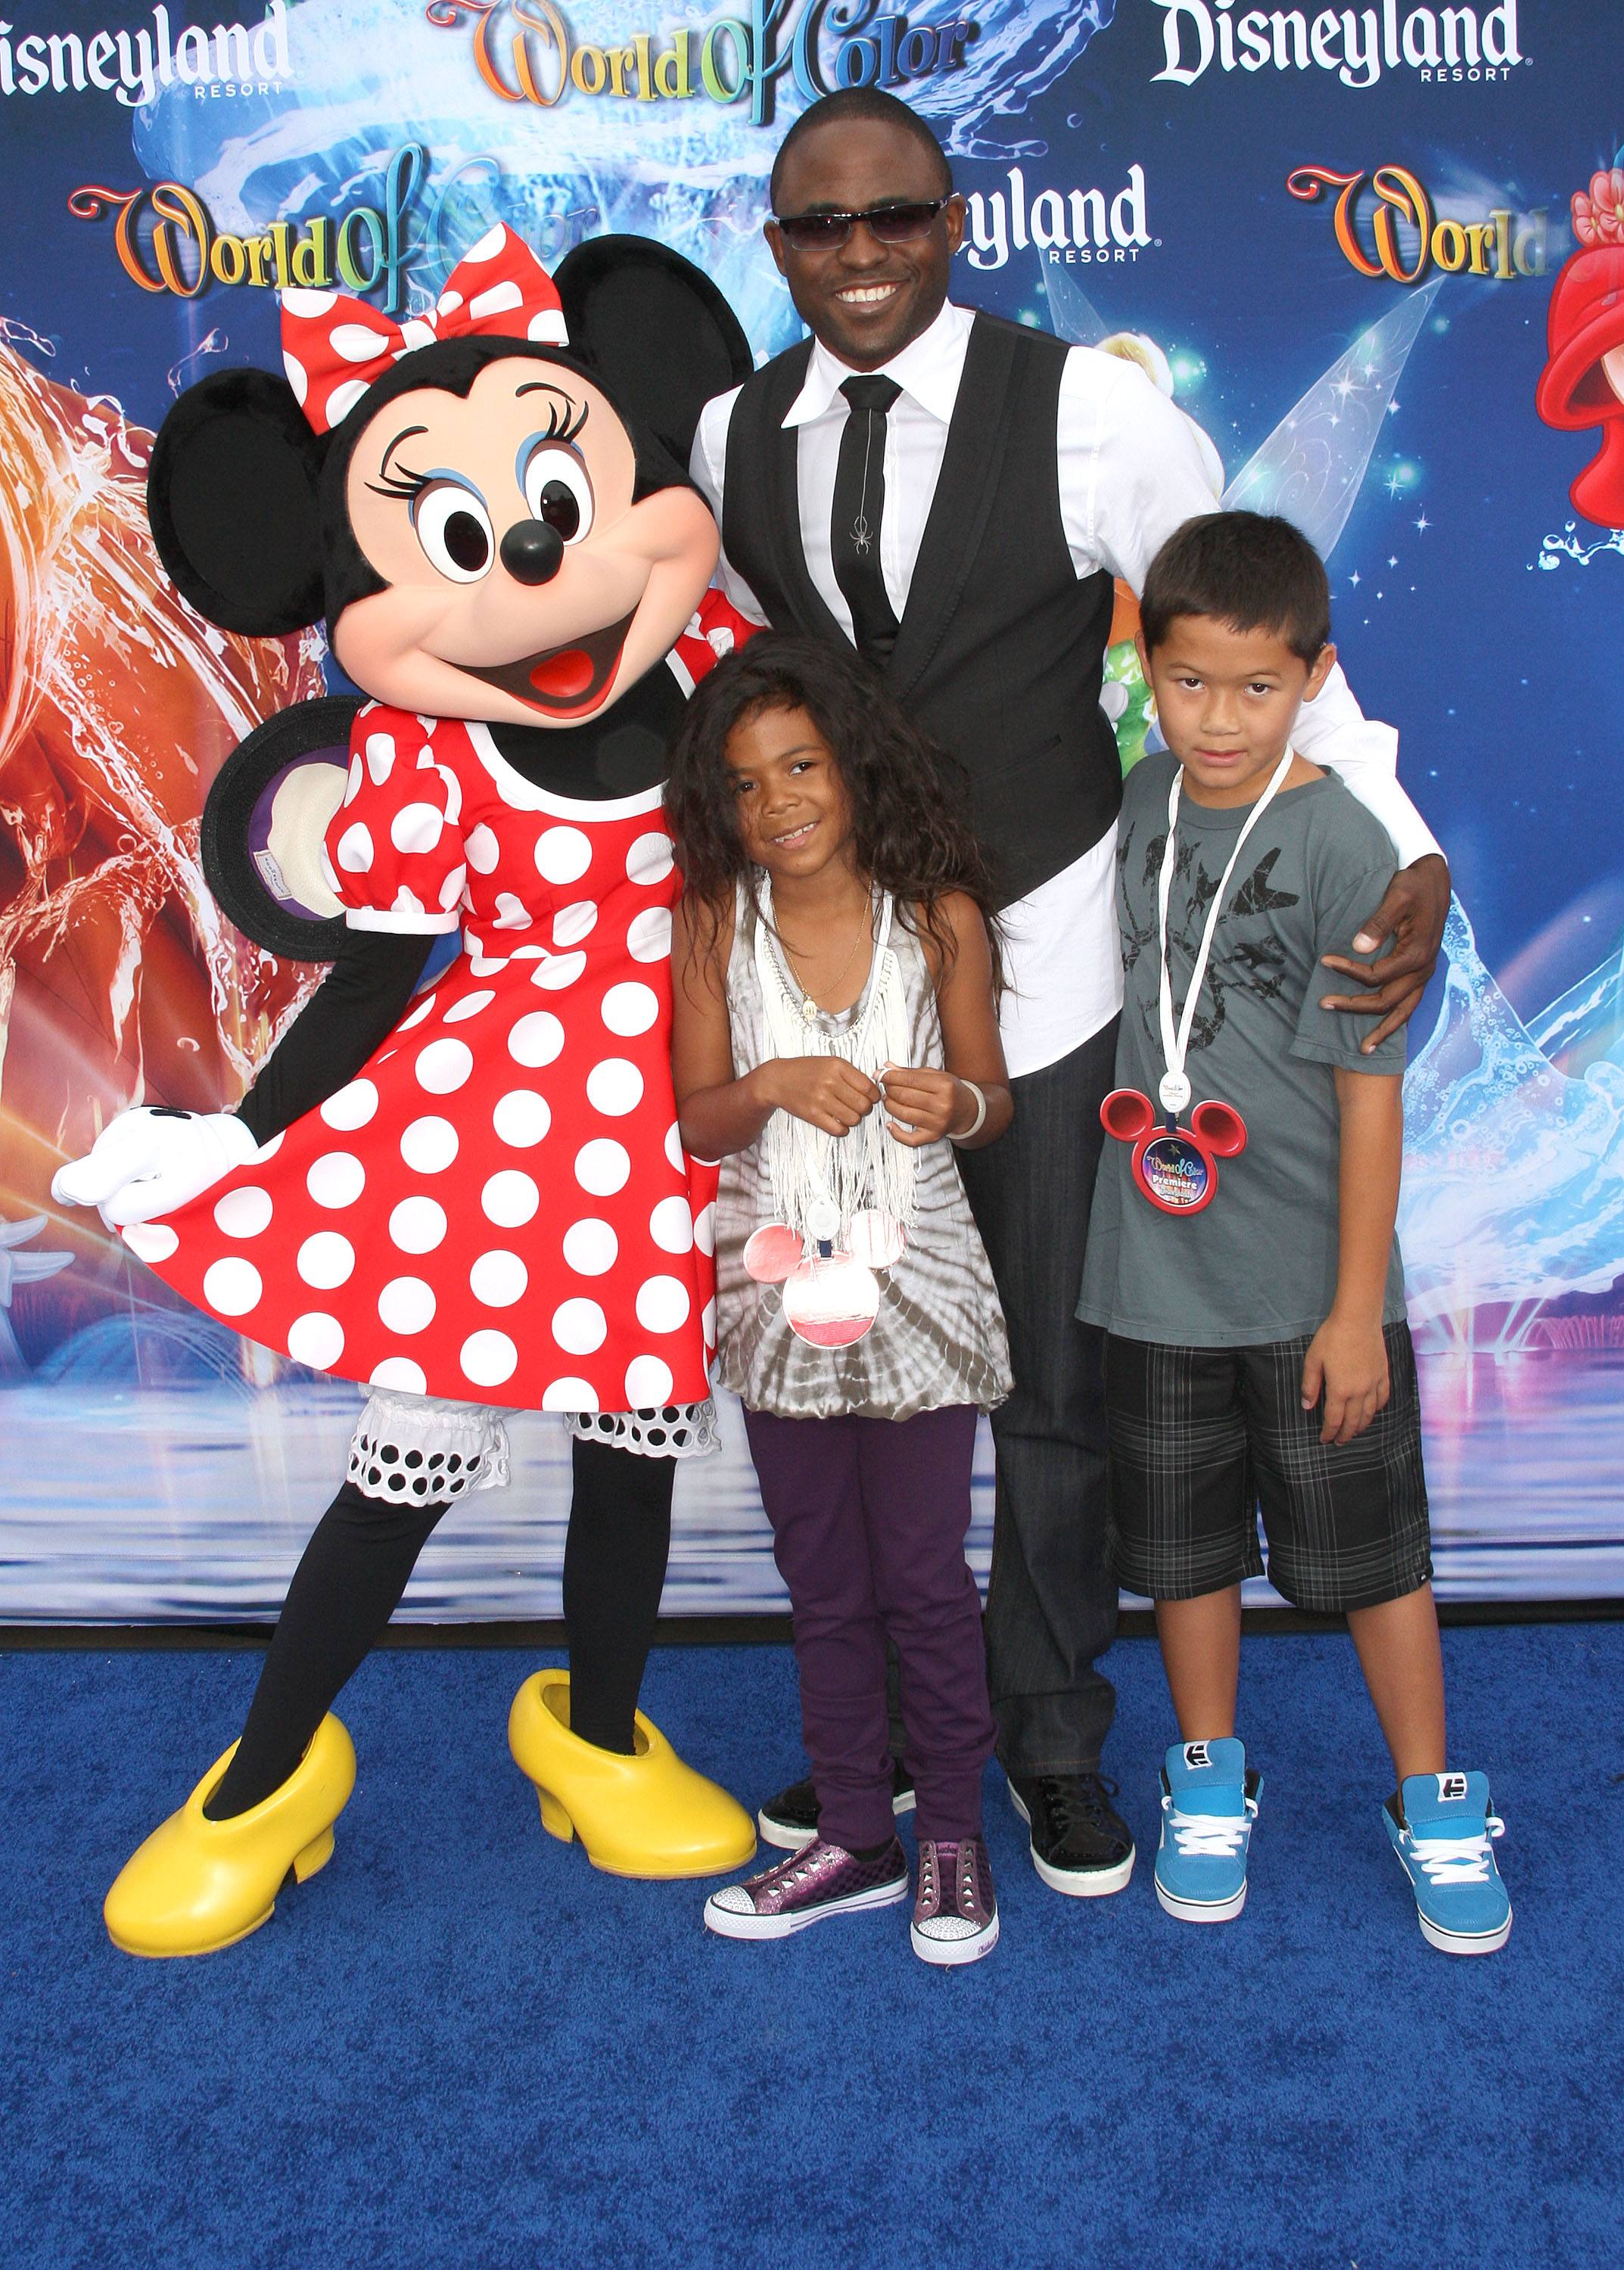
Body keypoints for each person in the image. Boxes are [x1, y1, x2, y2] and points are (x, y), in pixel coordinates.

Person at [690, 86, 1454, 1895]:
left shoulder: (1088, 409)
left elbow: (1239, 638)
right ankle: (875, 1754)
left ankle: (1045, 1743)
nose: (860, 255)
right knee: (849, 1372)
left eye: (895, 218)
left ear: (951, 221)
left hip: (1046, 980)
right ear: (777, 240)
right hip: (840, 1016)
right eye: (819, 227)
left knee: (1044, 1393)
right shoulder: (729, 439)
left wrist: (1409, 850)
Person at [1077, 512, 1510, 1956]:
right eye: (1190, 681)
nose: (1217, 717)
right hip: (1152, 1272)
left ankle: (1431, 1794)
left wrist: (1352, 1309)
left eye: (1255, 688)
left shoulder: (1346, 840)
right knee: (1184, 1551)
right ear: (1150, 669)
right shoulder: (1135, 803)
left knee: (1372, 1557)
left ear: (1311, 679)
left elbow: (1370, 1102)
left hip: (1311, 1288)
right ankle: (1207, 1770)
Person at [665, 633, 1014, 1964]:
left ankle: (952, 1843)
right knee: (820, 1575)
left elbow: (991, 1099)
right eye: (745, 785)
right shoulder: (713, 923)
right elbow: (701, 1122)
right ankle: (857, 1835)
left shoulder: (939, 920)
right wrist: (764, 1089)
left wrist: (958, 1102)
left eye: (801, 765)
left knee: (924, 1578)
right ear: (719, 808)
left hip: (920, 1292)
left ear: (855, 767)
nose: (778, 802)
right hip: (775, 1303)